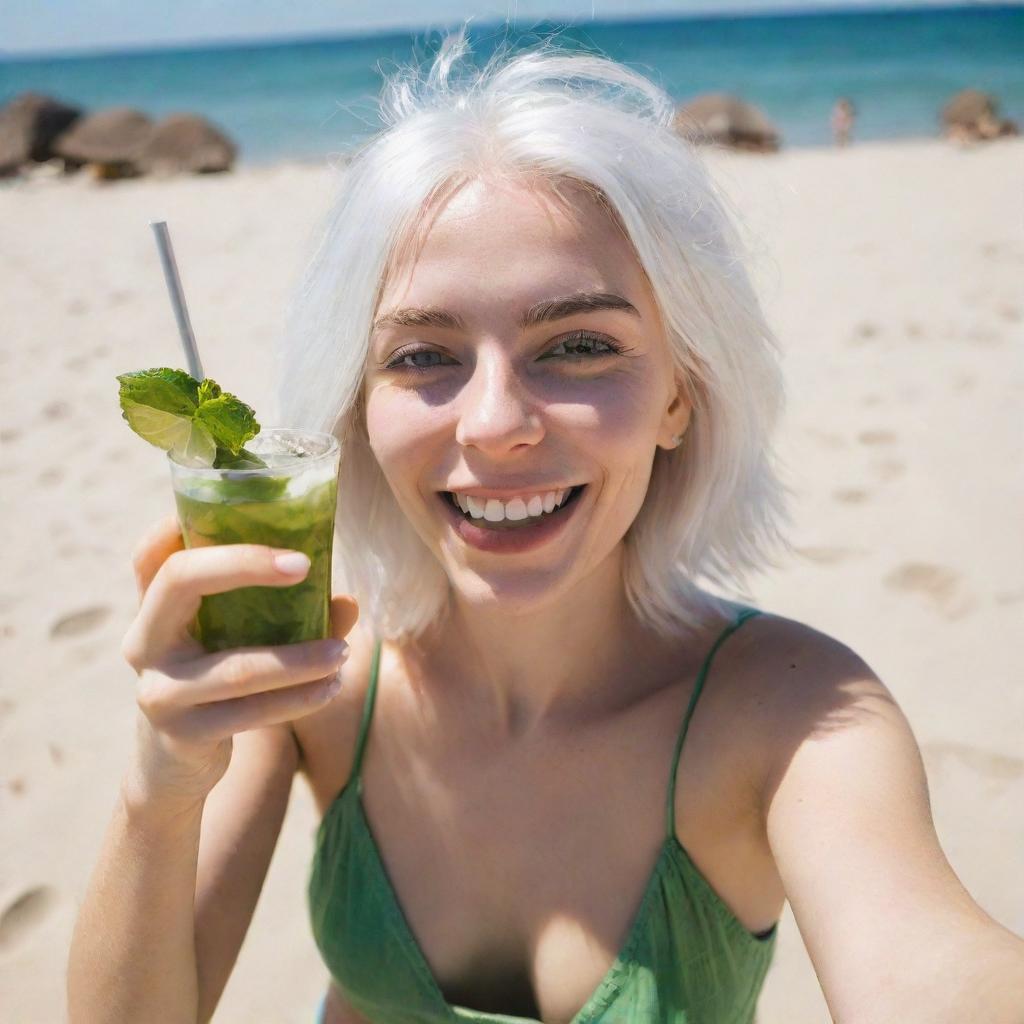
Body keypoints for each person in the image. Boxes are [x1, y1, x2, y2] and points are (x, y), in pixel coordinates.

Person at [68, 37, 1024, 1024]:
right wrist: (161, 789)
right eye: (422, 355)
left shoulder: (793, 719)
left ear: (678, 397)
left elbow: (929, 964)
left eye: (575, 345)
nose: (492, 422)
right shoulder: (310, 683)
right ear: (358, 407)